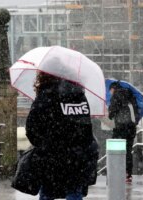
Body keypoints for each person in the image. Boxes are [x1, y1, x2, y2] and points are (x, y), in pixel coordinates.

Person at [26, 72, 99, 200]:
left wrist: (43, 144)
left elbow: (31, 128)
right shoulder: (79, 96)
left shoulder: (46, 96)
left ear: (44, 76)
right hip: (77, 158)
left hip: (51, 156)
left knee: (47, 192)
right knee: (74, 192)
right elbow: (87, 128)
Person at [108, 82, 139, 183]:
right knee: (128, 150)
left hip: (121, 128)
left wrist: (110, 111)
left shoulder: (116, 96)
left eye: (110, 91)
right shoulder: (130, 96)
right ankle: (128, 174)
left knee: (115, 150)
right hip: (131, 128)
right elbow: (136, 113)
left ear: (113, 88)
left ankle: (116, 172)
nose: (110, 93)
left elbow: (111, 114)